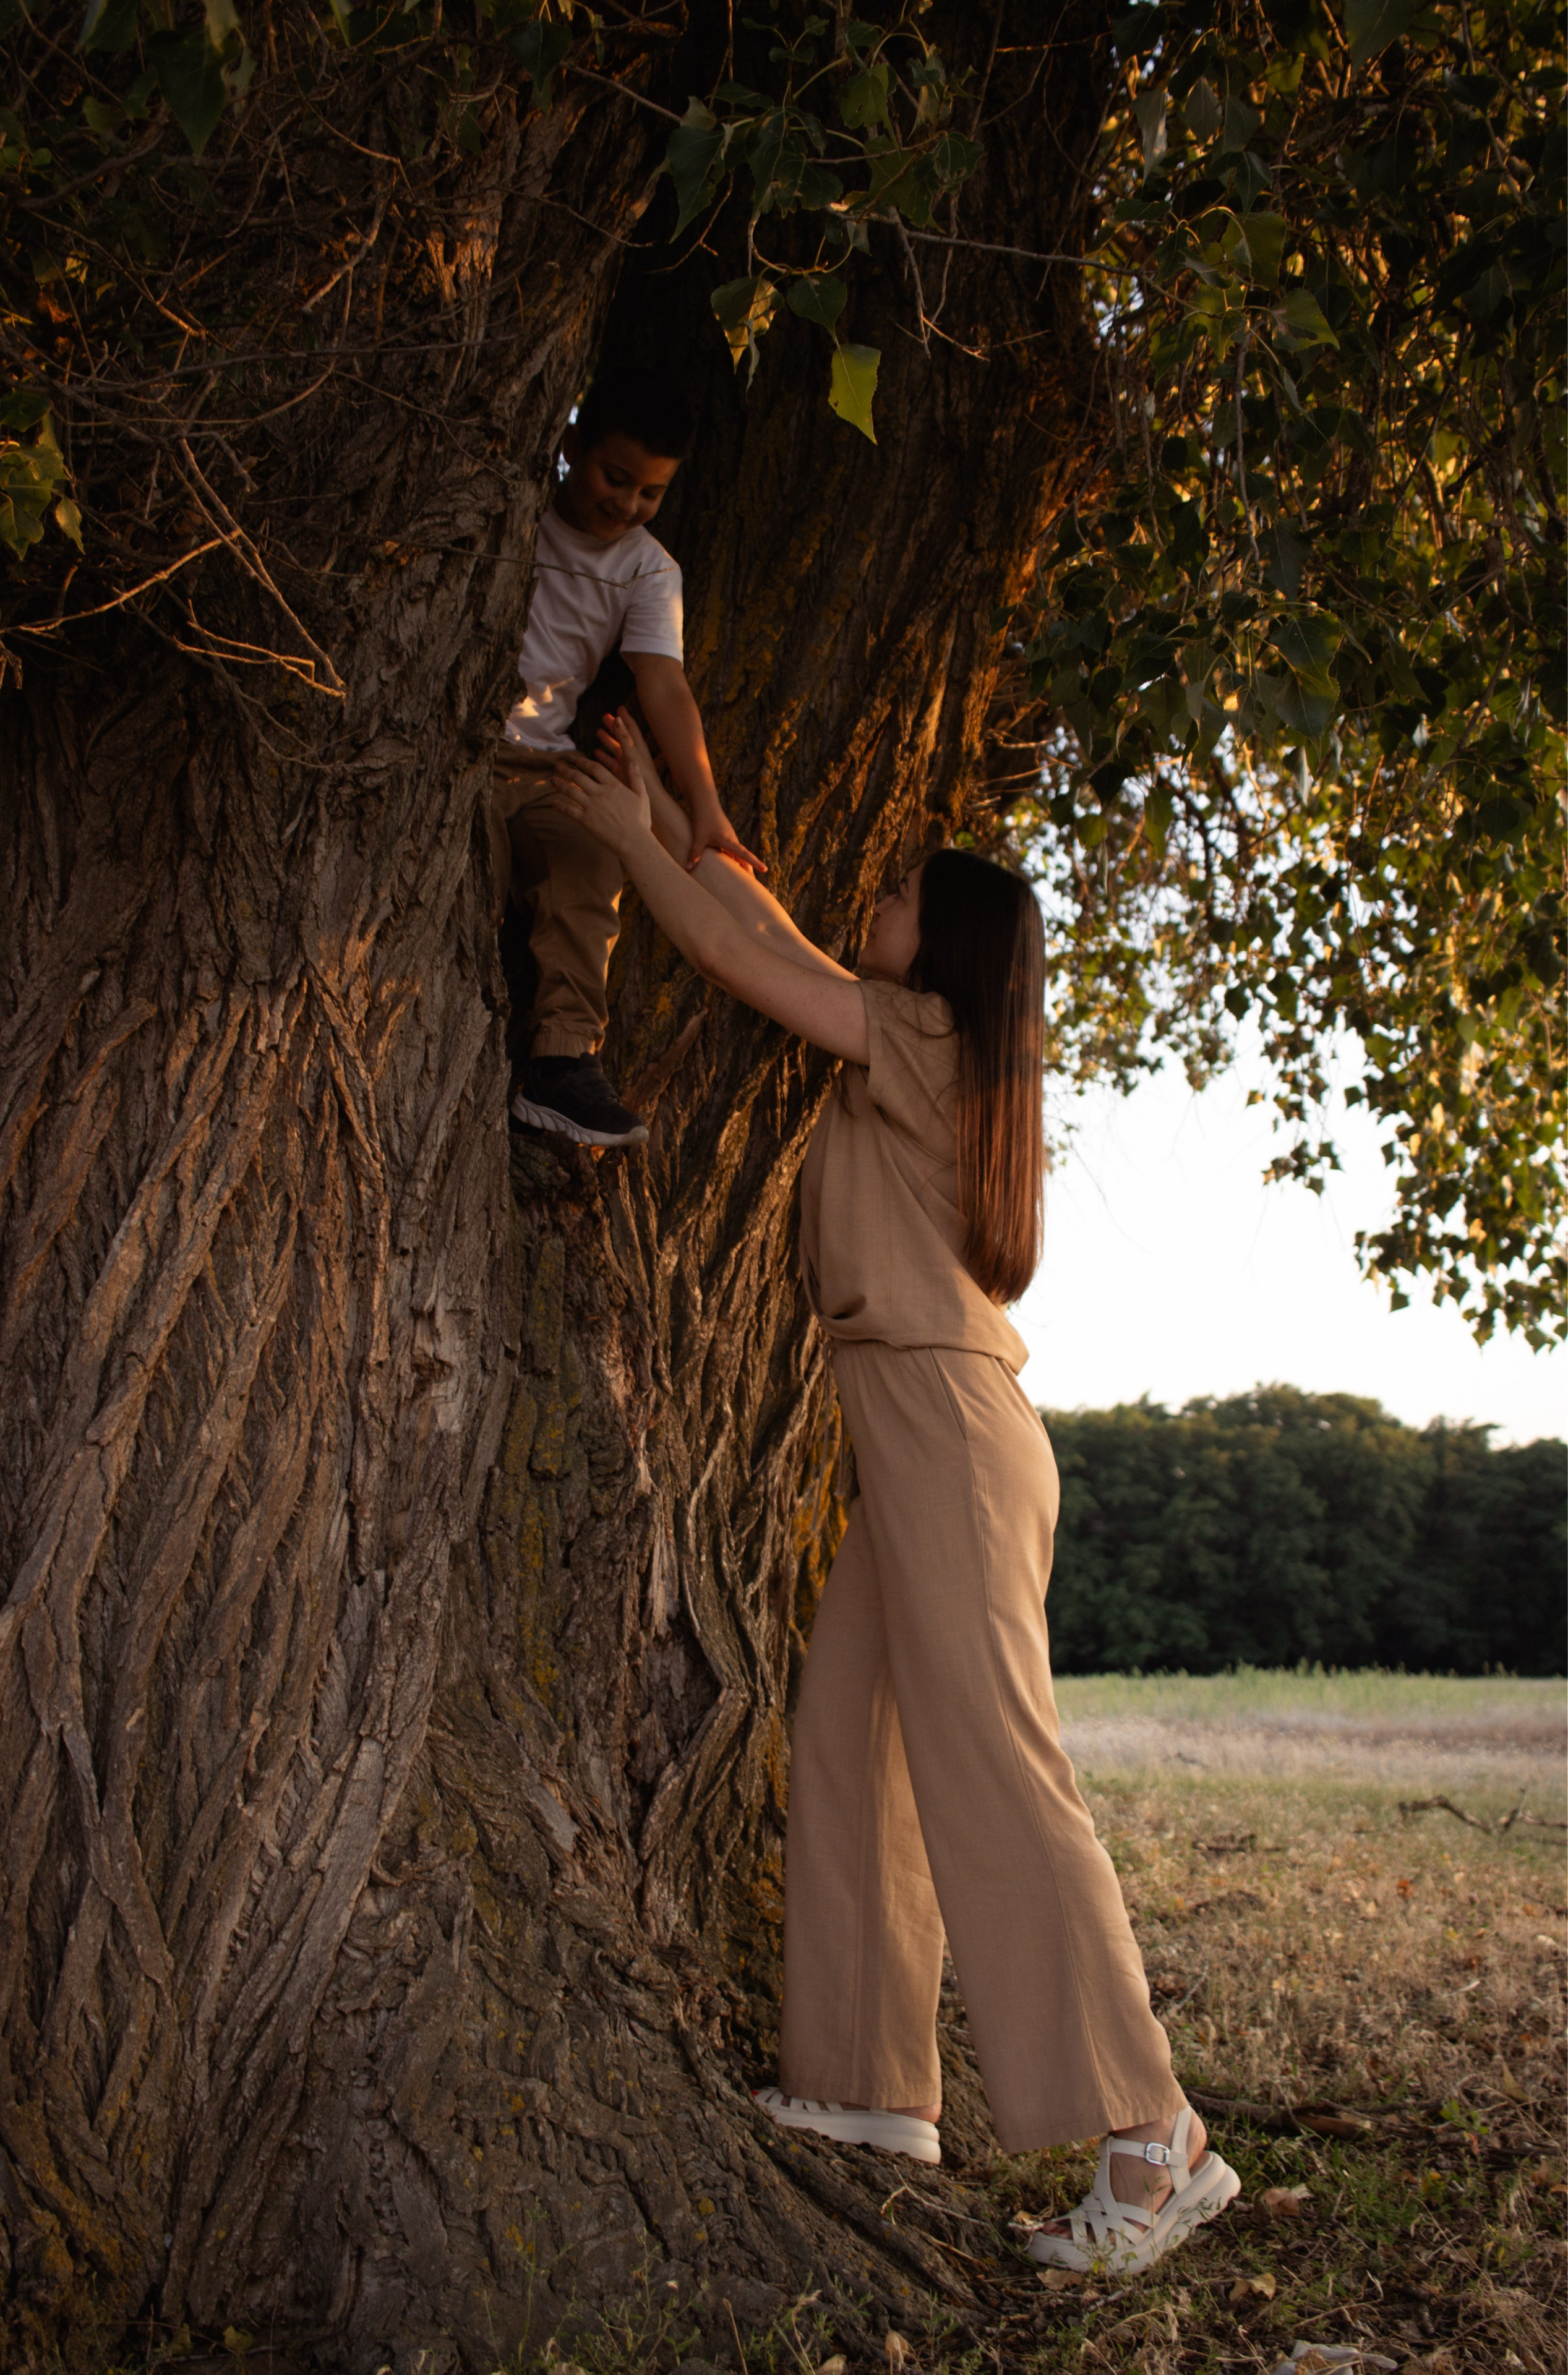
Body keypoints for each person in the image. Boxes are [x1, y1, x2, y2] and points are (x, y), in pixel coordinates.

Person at [551, 716, 1243, 2276]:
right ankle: (864, 2085)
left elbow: (738, 960)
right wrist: (675, 811)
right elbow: (766, 934)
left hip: (945, 1431)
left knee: (996, 1766)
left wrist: (628, 835)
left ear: (947, 945)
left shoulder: (920, 1035)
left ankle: (1155, 2137)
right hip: (930, 1428)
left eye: (900, 893)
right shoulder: (918, 1031)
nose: (874, 900)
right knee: (850, 1732)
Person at [492, 366, 761, 1150]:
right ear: (574, 445)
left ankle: (560, 1062)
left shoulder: (647, 568)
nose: (628, 504)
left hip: (539, 765)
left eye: (651, 492)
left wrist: (706, 806)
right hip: (458, 753)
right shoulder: (516, 505)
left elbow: (664, 685)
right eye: (615, 478)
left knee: (594, 854)